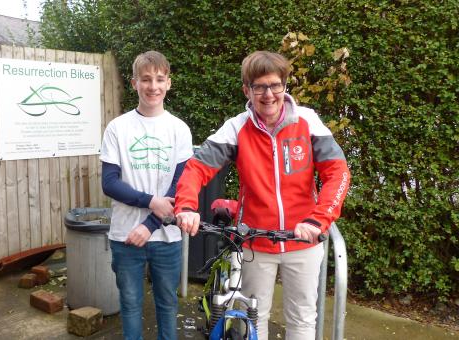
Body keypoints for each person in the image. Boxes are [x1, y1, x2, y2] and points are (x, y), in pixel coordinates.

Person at [174, 51, 350, 340]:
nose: (268, 94)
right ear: (247, 90)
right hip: (255, 242)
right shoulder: (237, 127)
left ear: (285, 86)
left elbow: (338, 172)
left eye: (275, 85)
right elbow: (196, 168)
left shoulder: (307, 121)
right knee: (253, 318)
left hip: (302, 239)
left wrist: (319, 220)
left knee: (303, 318)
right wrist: (187, 206)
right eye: (259, 87)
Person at [100, 50, 193, 340]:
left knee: (167, 304)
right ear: (134, 84)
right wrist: (151, 201)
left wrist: (149, 224)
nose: (153, 86)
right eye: (146, 79)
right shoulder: (117, 128)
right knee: (129, 304)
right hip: (125, 236)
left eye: (159, 79)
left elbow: (181, 187)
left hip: (167, 237)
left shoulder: (179, 129)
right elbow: (110, 183)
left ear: (169, 84)